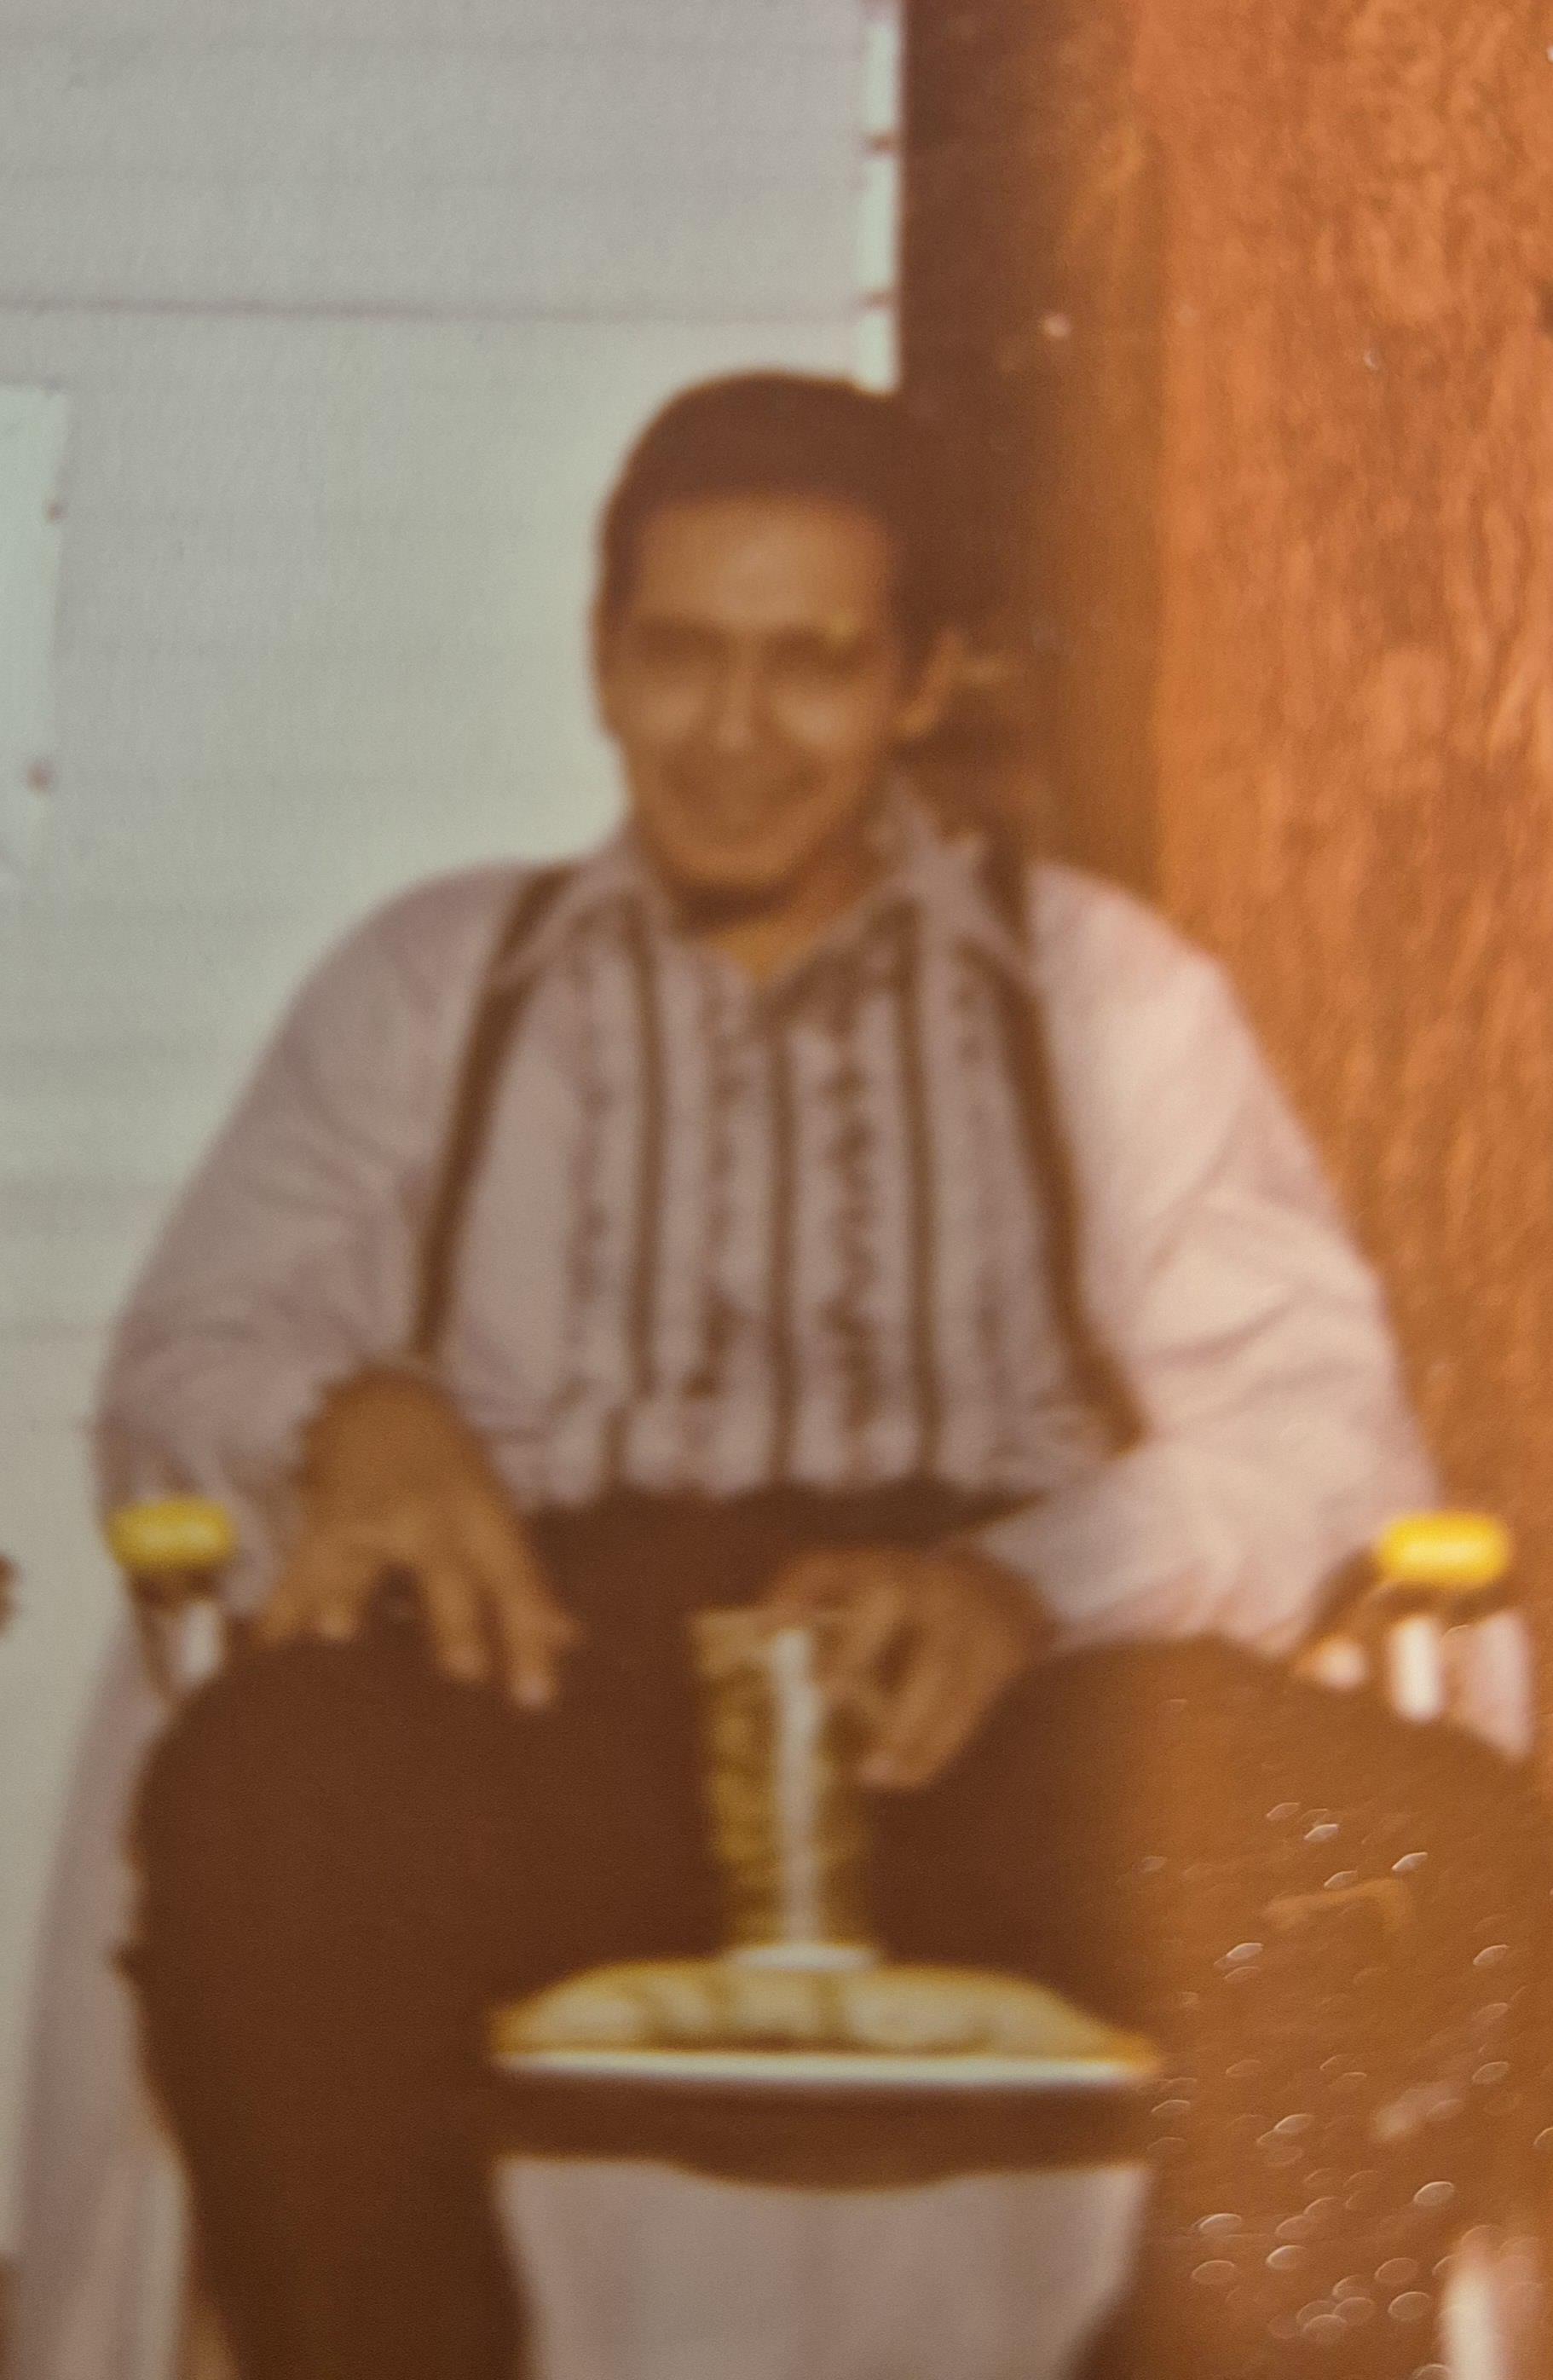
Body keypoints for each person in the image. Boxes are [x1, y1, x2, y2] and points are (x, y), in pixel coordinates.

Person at [19, 373, 1528, 2380]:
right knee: (257, 1818)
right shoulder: (436, 982)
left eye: (809, 667)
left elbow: (1318, 1421)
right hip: (549, 1668)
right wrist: (350, 1415)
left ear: (919, 682)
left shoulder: (1101, 991)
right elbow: (197, 1343)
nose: (732, 736)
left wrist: (1029, 1580)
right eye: (680, 657)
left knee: (1435, 1873)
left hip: (998, 1684)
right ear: (600, 661)